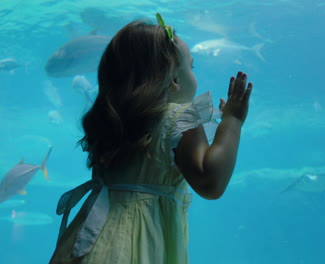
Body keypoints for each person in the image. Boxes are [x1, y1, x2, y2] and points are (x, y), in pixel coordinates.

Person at [50, 14, 252, 264]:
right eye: (191, 66)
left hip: (89, 243)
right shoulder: (181, 119)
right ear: (175, 80)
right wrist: (232, 122)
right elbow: (210, 182)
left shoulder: (115, 123)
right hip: (139, 248)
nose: (193, 73)